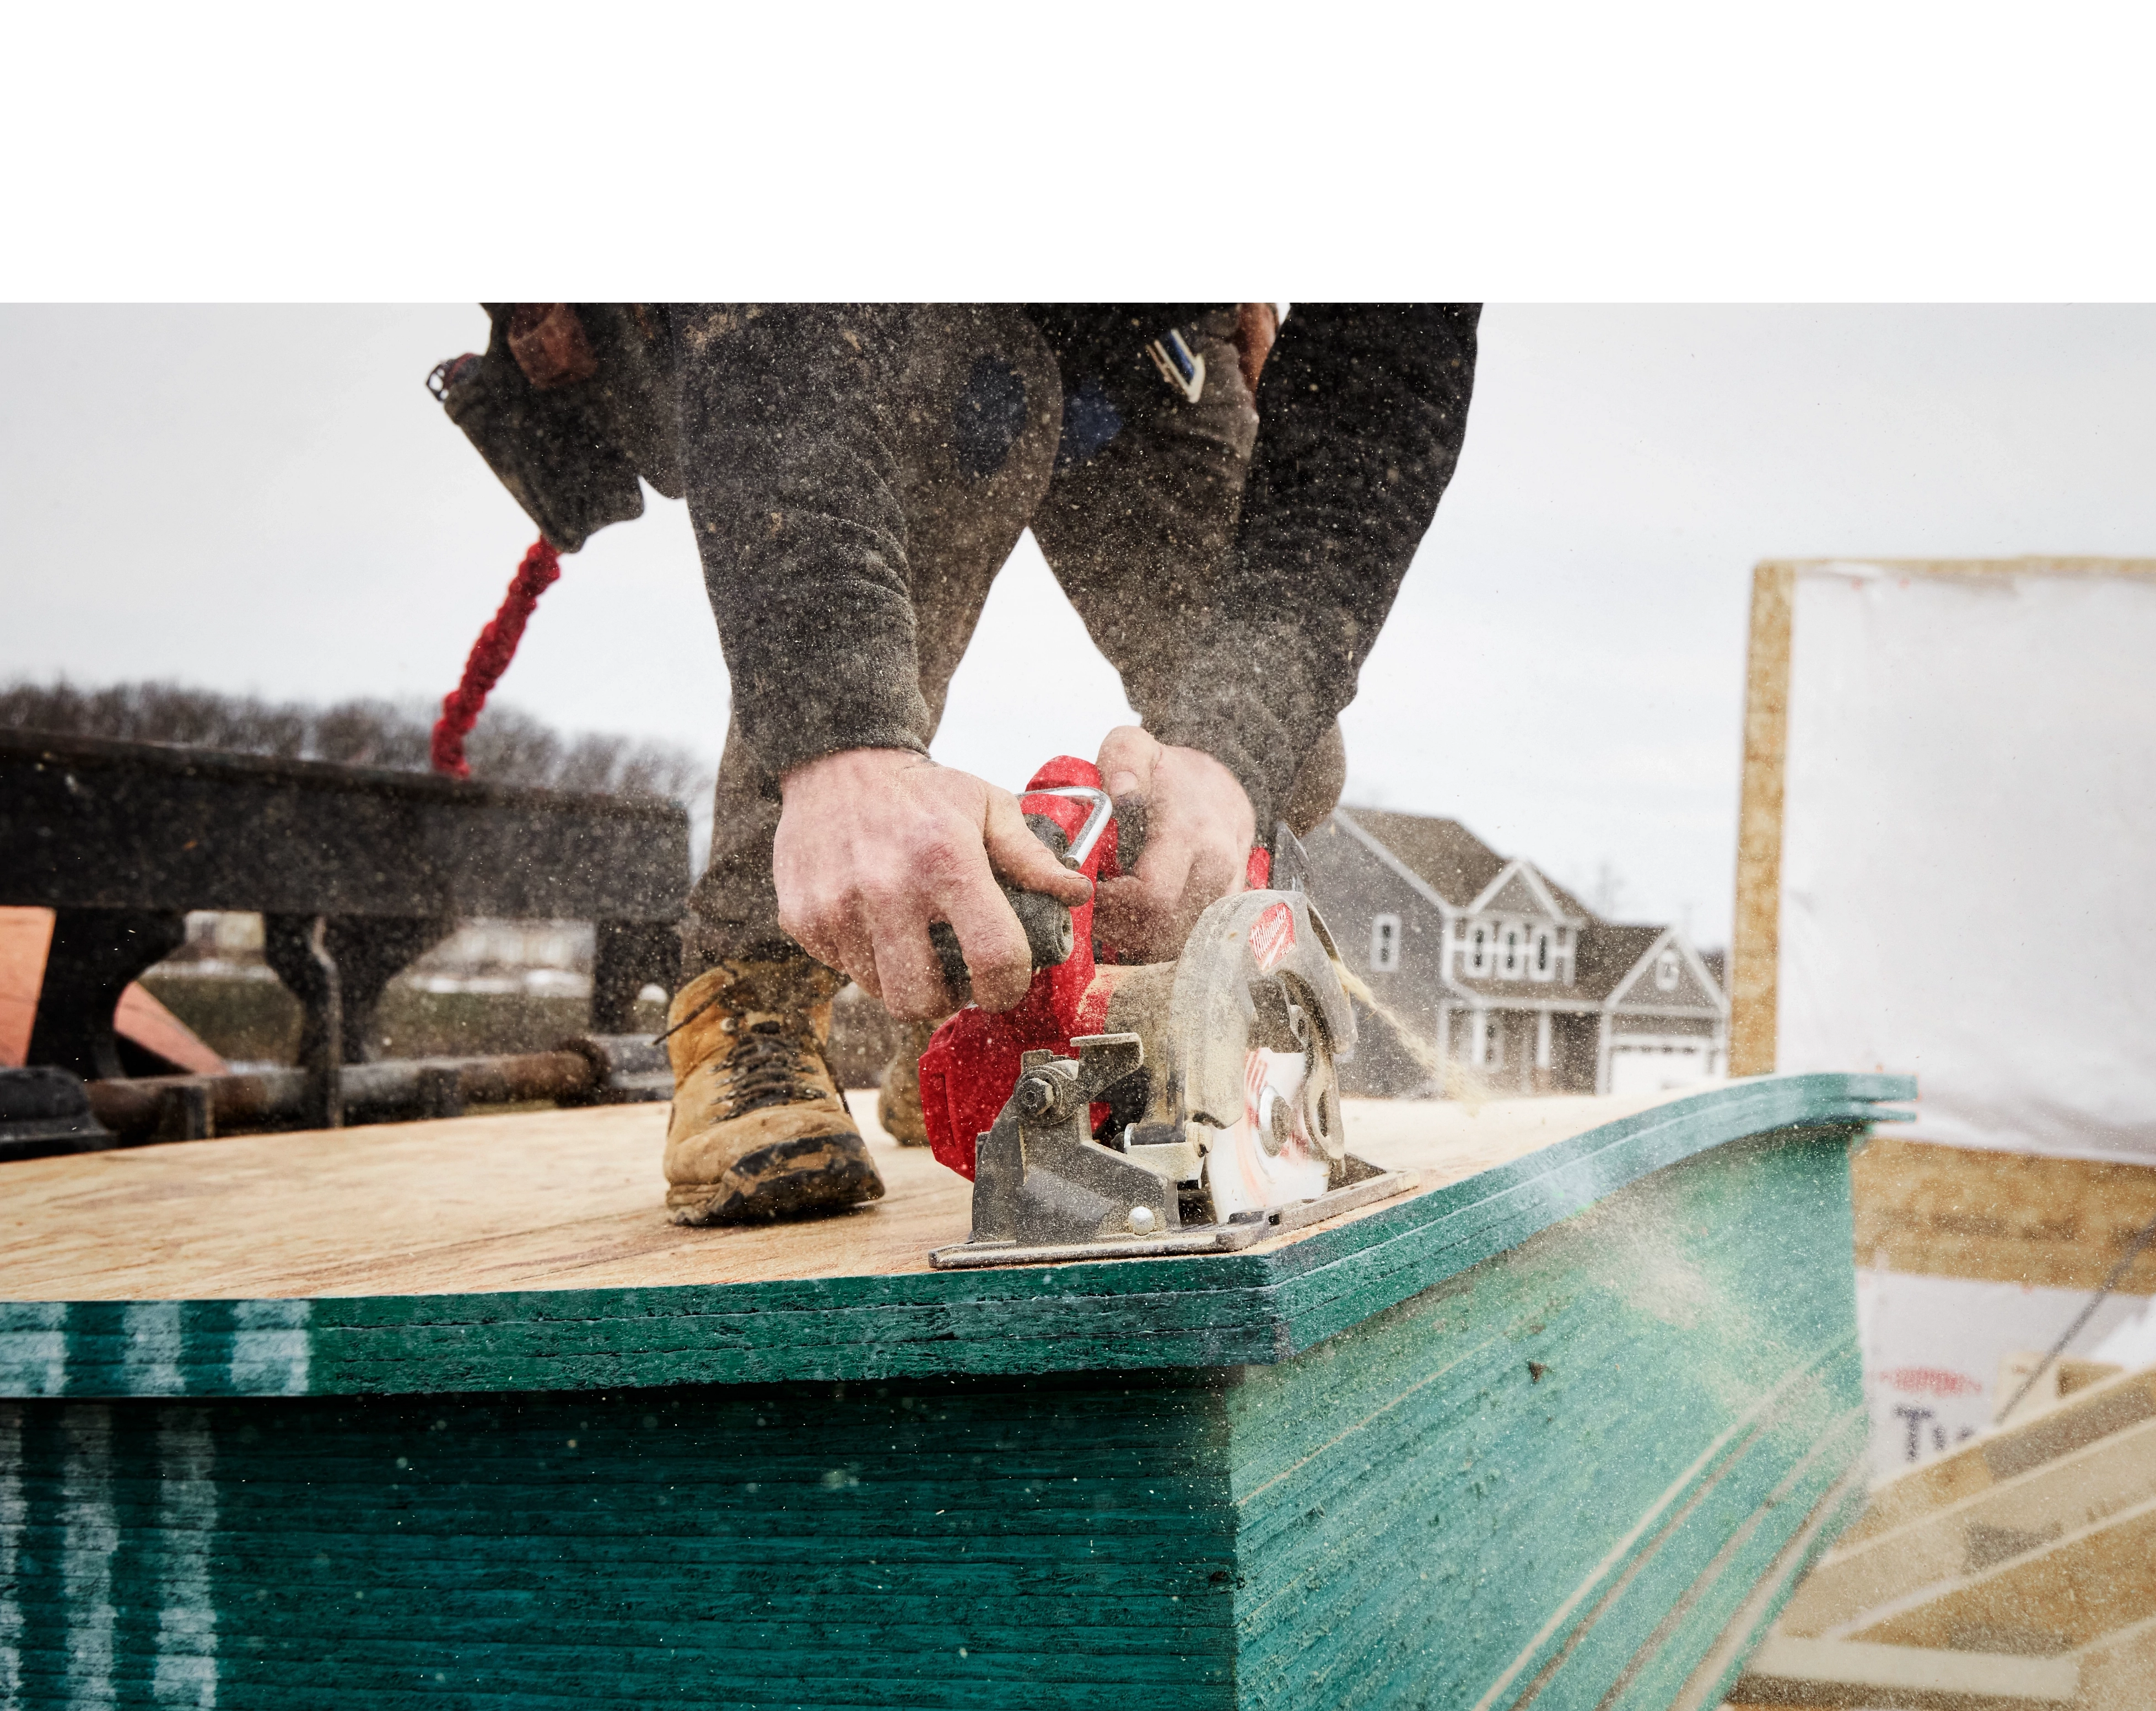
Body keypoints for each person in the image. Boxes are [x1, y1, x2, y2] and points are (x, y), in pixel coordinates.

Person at [434, 301, 1480, 1223]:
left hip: (1131, 326)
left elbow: (1378, 373)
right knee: (978, 398)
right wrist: (842, 741)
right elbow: (780, 338)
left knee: (1274, 740)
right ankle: (746, 1000)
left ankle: (986, 1011)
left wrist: (1232, 754)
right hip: (787, 333)